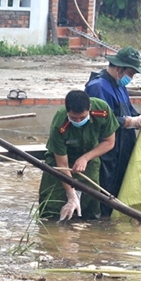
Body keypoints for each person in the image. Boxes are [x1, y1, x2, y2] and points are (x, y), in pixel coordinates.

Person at [84, 46, 141, 216]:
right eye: (130, 73)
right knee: (104, 189)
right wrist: (130, 121)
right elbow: (101, 120)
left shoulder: (119, 85)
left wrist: (139, 118)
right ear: (119, 68)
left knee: (120, 188)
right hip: (106, 150)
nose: (131, 78)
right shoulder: (98, 87)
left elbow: (128, 110)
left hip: (122, 148)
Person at [38, 90, 119, 220]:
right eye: (74, 118)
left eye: (82, 117)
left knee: (91, 200)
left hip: (90, 157)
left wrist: (85, 158)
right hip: (60, 160)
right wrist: (71, 195)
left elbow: (109, 142)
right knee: (52, 203)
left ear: (90, 108)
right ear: (67, 111)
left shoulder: (102, 110)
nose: (78, 120)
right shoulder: (60, 124)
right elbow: (62, 164)